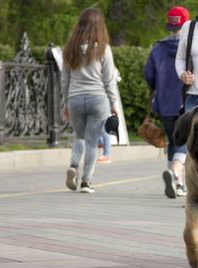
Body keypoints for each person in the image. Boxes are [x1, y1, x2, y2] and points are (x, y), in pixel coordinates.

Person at [62, 8, 118, 193]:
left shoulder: (70, 48)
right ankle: (86, 182)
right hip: (98, 98)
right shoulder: (103, 48)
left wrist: (65, 101)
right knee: (93, 142)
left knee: (80, 137)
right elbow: (108, 79)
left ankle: (73, 164)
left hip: (75, 98)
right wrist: (113, 103)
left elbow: (65, 79)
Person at [144, 6, 190, 198]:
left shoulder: (158, 48)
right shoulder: (190, 47)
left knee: (173, 141)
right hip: (185, 101)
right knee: (185, 143)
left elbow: (148, 75)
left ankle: (178, 183)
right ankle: (174, 174)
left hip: (163, 103)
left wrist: (160, 88)